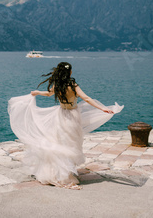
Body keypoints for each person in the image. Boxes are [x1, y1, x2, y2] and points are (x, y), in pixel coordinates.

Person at [7, 62, 123, 190]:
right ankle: (64, 174)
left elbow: (48, 94)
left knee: (60, 143)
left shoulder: (58, 85)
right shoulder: (73, 85)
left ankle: (59, 171)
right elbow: (87, 98)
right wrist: (102, 108)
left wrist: (37, 92)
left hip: (60, 115)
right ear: (70, 72)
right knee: (71, 144)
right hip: (72, 116)